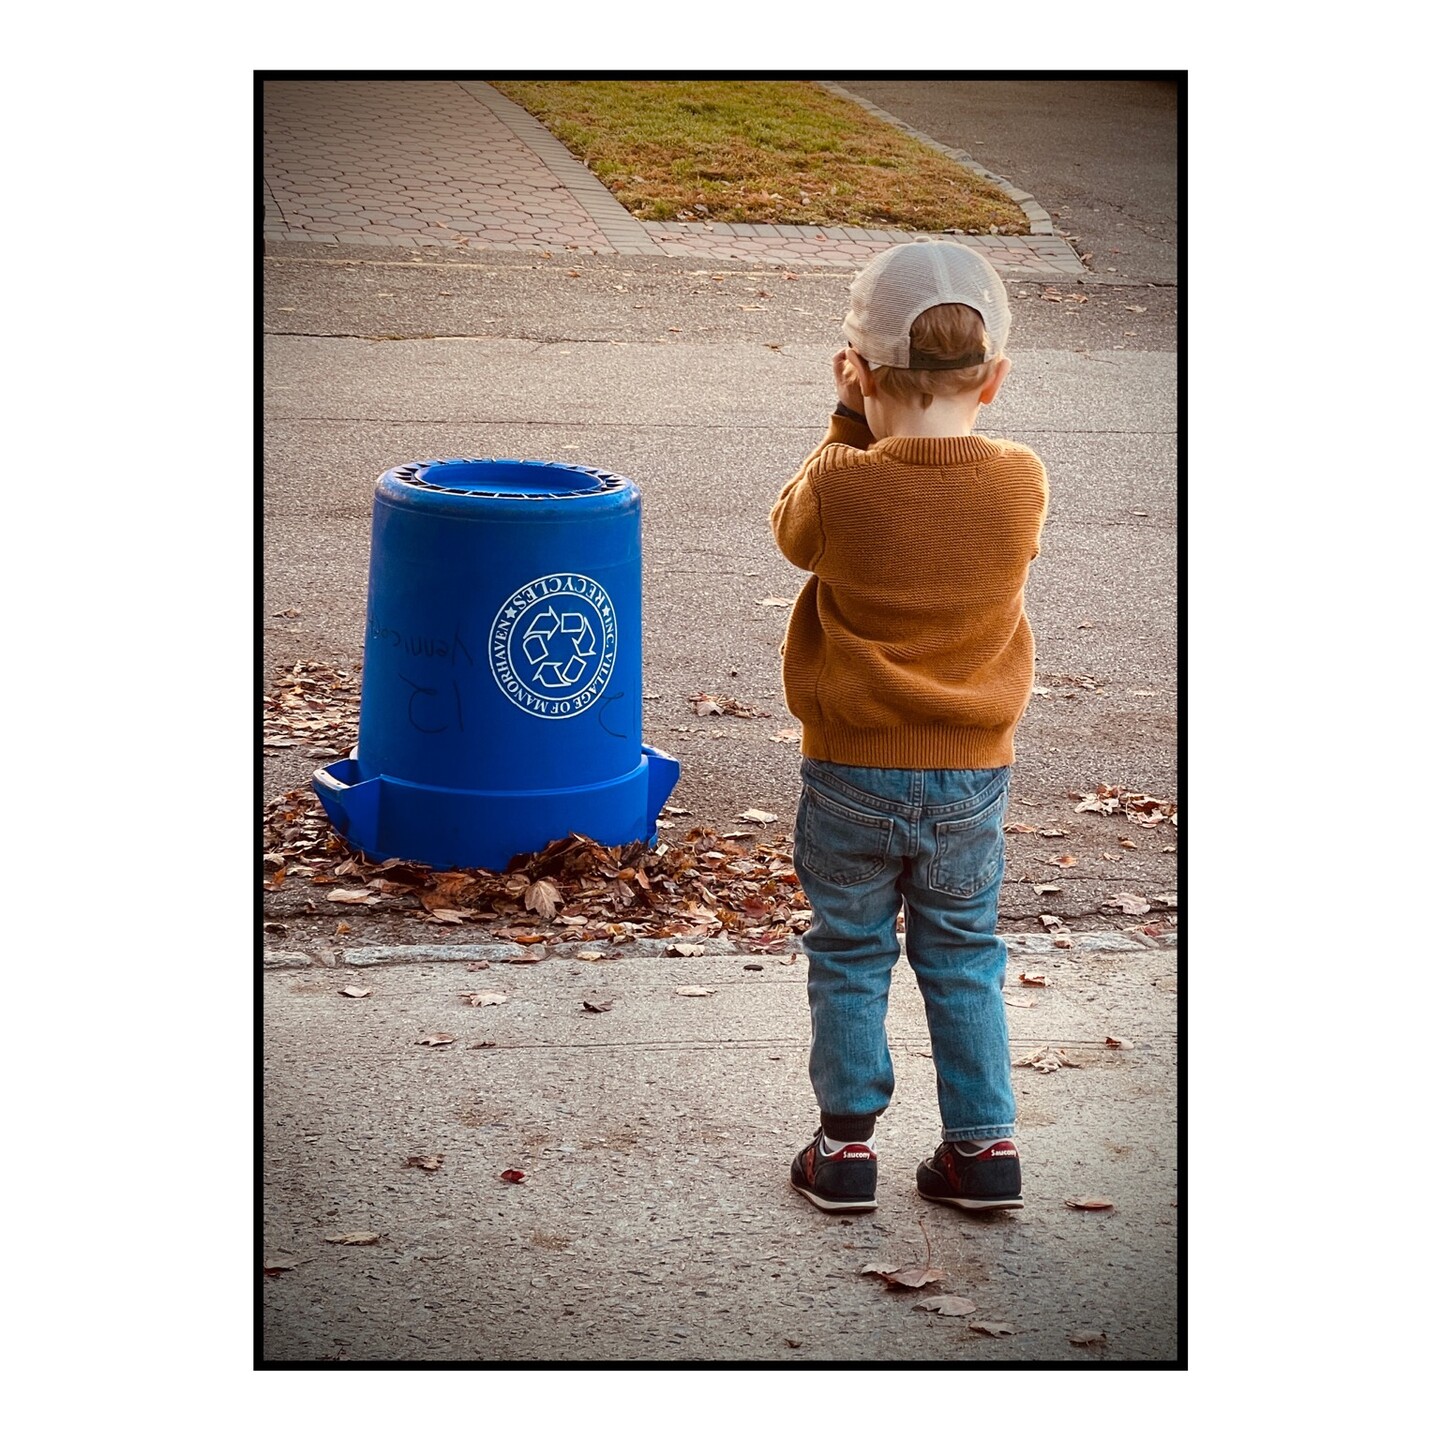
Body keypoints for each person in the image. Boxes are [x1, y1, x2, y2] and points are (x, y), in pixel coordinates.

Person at [769, 239, 1048, 1214]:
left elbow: (791, 530)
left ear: (859, 372)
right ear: (996, 377)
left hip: (850, 771)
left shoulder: (843, 484)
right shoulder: (1020, 483)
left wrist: (847, 420)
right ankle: (984, 1149)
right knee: (963, 953)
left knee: (849, 951)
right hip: (973, 775)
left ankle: (845, 1152)